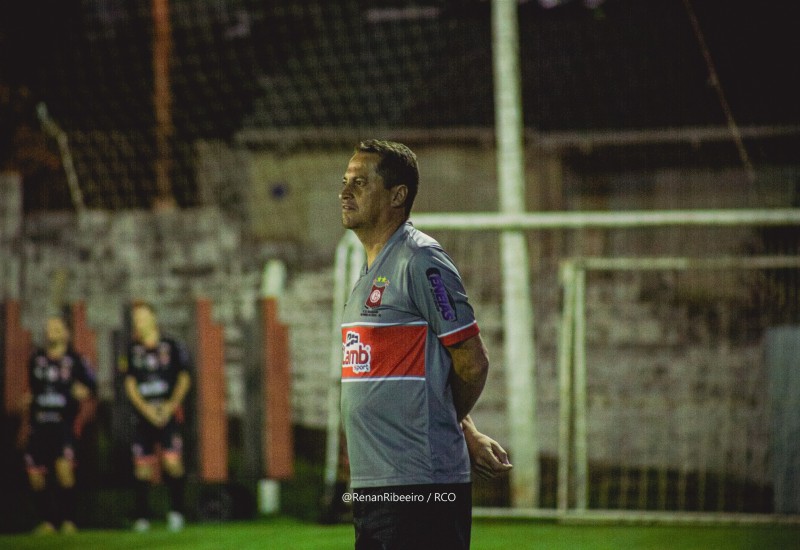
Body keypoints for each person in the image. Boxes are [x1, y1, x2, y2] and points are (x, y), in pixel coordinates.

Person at [338, 139, 512, 549]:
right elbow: (425, 371)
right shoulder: (370, 269)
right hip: (377, 483)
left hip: (419, 484)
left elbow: (472, 362)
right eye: (345, 182)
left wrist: (447, 424)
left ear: (398, 195)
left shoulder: (420, 261)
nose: (345, 193)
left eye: (360, 183)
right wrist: (464, 427)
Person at [18, 316, 97, 535]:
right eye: (49, 328)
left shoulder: (77, 361)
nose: (51, 331)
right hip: (39, 424)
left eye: (57, 328)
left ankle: (69, 521)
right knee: (35, 476)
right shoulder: (36, 359)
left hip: (64, 425)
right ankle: (49, 521)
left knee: (64, 471)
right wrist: (28, 401)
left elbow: (92, 387)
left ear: (66, 334)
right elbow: (32, 390)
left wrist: (83, 391)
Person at [124, 301, 191, 532]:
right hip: (143, 416)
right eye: (136, 319)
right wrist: (146, 409)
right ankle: (142, 517)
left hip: (168, 413)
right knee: (142, 468)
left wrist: (171, 405)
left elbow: (184, 377)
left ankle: (177, 512)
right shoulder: (132, 350)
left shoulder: (172, 346)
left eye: (142, 317)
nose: (139, 323)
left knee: (172, 463)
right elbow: (130, 384)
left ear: (154, 318)